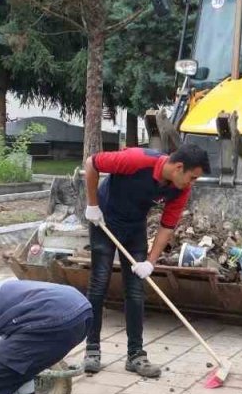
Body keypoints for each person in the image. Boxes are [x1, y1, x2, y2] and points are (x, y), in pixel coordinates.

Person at [81, 144, 210, 378]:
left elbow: (167, 225)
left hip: (135, 227)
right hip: (104, 221)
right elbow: (92, 163)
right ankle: (92, 351)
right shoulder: (136, 160)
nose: (192, 183)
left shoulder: (180, 189)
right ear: (179, 167)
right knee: (99, 283)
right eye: (192, 177)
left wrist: (150, 262)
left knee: (136, 289)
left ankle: (136, 355)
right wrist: (92, 205)